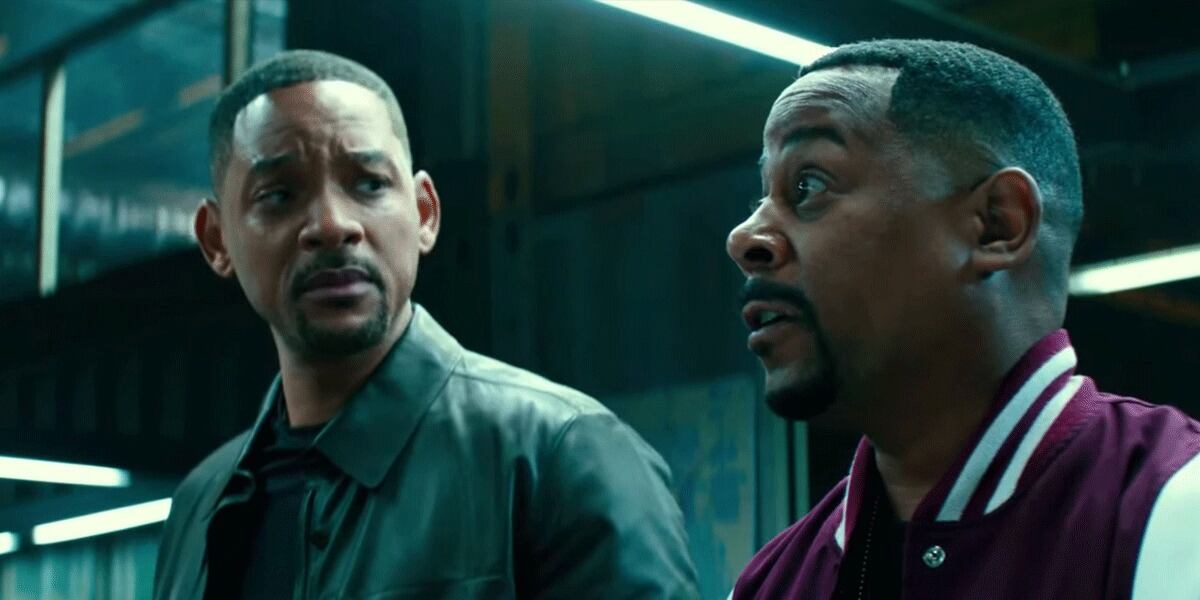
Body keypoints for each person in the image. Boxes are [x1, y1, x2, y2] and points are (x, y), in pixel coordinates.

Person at [153, 49, 698, 600]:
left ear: (425, 213)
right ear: (217, 241)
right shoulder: (201, 503)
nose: (332, 225)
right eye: (279, 195)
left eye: (369, 184)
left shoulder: (561, 455)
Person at [725, 39, 1200, 599]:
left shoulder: (1174, 508)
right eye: (763, 196)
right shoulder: (768, 584)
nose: (744, 238)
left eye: (808, 185)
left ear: (998, 224)